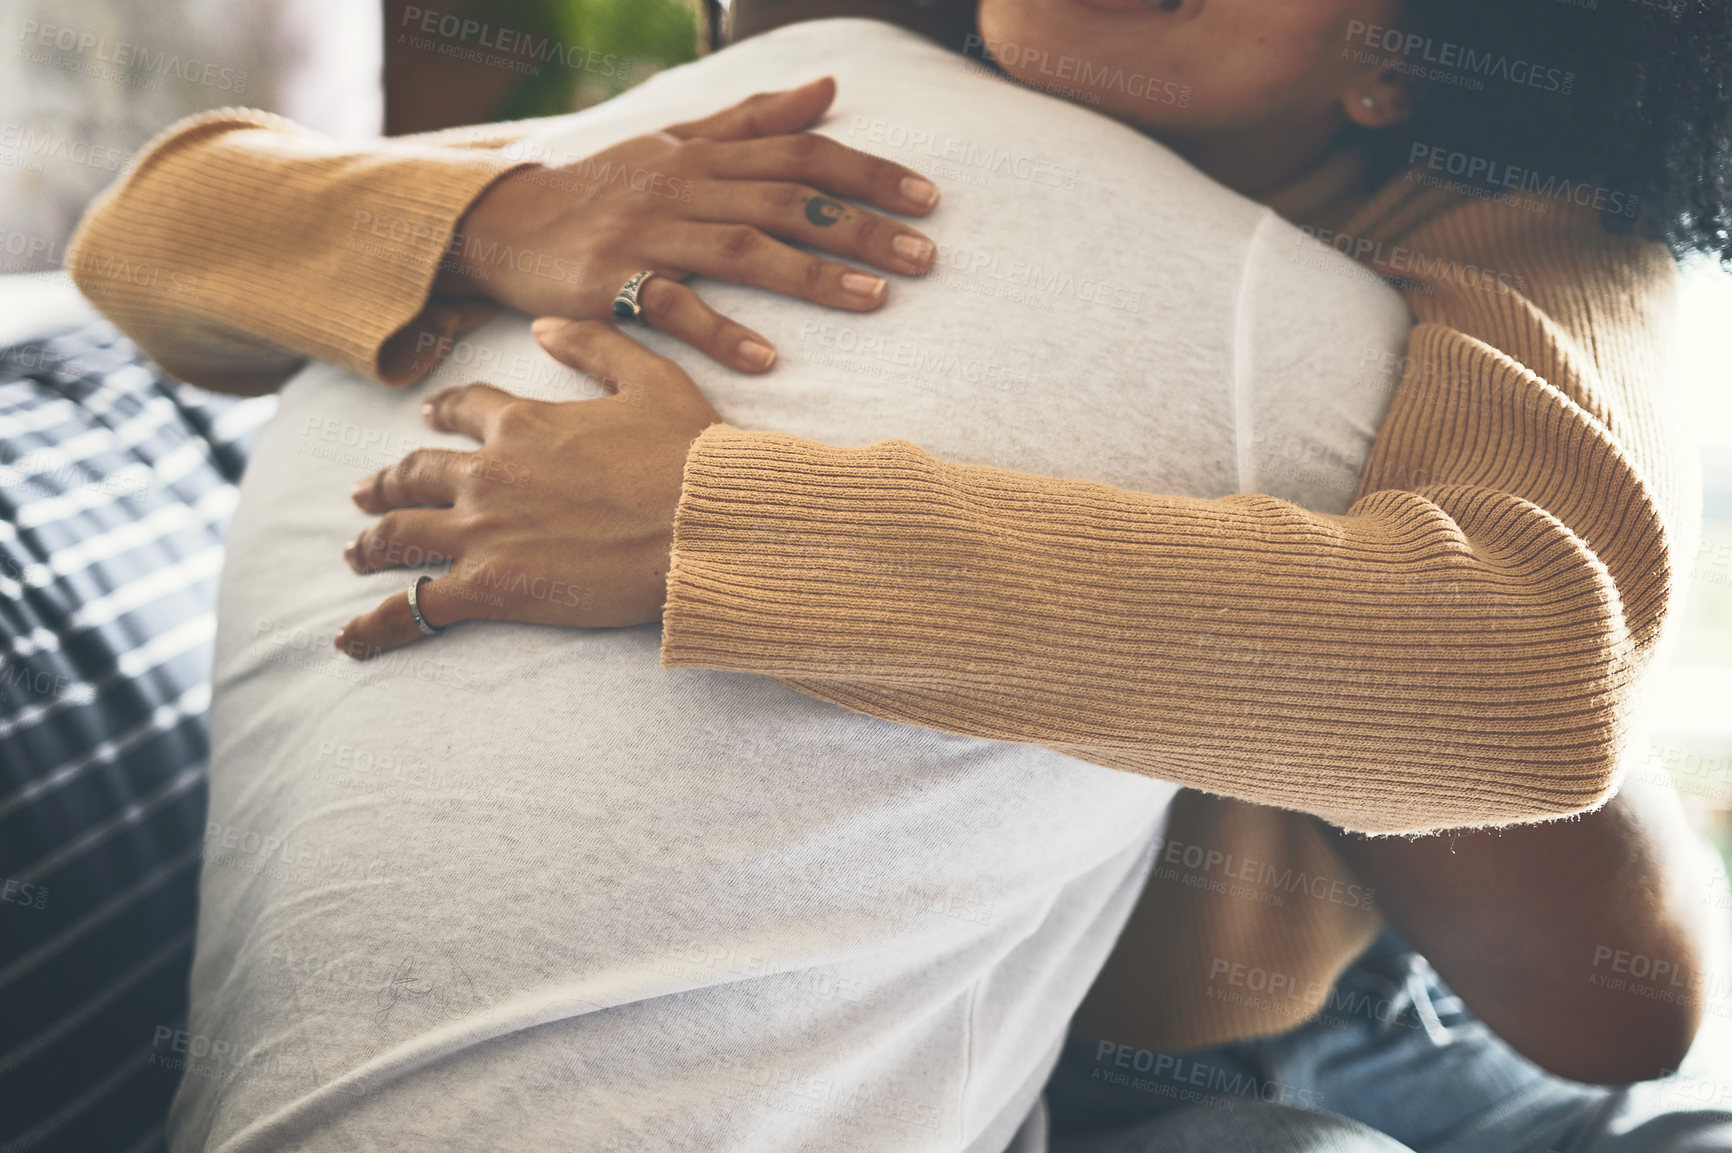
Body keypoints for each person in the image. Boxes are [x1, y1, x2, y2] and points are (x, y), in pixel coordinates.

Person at [61, 0, 1726, 1149]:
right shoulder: (838, 112)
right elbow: (146, 235)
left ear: (1405, 58)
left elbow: (1523, 675)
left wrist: (710, 528)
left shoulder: (1526, 226)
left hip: (1327, 1029)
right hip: (1023, 1053)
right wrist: (508, 215)